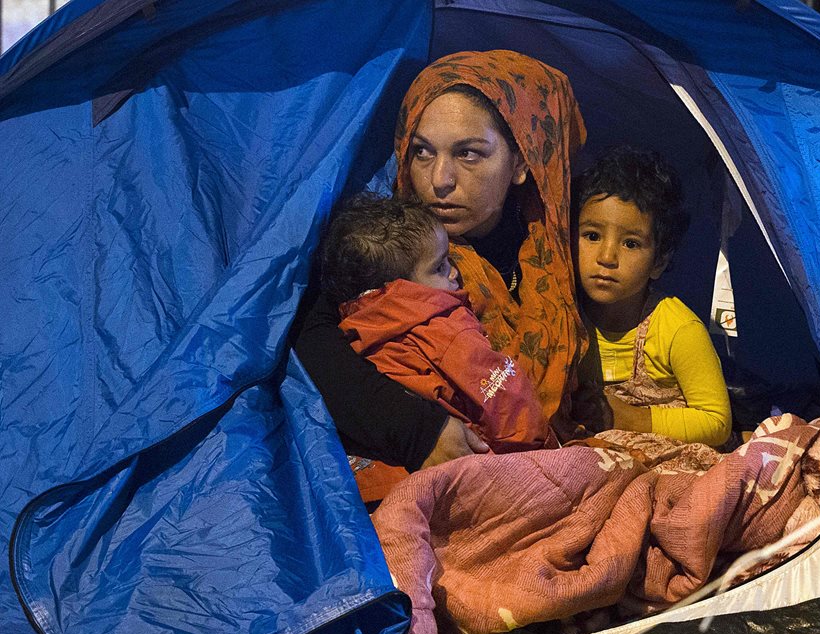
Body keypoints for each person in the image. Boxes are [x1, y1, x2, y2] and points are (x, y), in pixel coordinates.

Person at [292, 50, 587, 473]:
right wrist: (419, 430)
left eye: (469, 154)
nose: (439, 180)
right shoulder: (388, 249)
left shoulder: (553, 255)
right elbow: (313, 340)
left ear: (522, 162)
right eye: (422, 152)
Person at [320, 194, 551, 462]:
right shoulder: (448, 331)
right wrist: (543, 446)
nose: (454, 272)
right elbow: (505, 400)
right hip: (492, 462)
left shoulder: (359, 334)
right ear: (401, 291)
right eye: (439, 267)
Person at [575, 147, 733, 448]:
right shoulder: (565, 315)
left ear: (658, 262)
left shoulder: (677, 329)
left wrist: (633, 420)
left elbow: (717, 422)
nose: (606, 257)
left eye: (631, 243)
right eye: (592, 236)